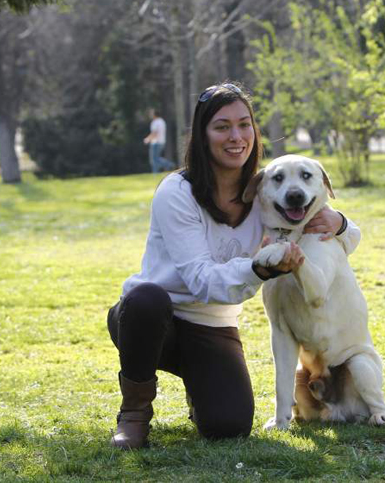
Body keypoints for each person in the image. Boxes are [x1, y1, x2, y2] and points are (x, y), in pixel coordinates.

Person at [106, 82, 362, 449]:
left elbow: (341, 240)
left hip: (212, 326)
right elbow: (200, 280)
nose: (236, 136)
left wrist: (339, 224)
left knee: (228, 426)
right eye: (222, 126)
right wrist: (259, 269)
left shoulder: (265, 193)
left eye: (244, 125)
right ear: (202, 135)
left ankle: (201, 387)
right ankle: (134, 415)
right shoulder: (176, 192)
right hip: (151, 321)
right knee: (146, 299)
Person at [143, 108, 176, 173]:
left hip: (156, 142)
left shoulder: (155, 122)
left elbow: (154, 133)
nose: (150, 115)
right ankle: (157, 172)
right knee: (156, 159)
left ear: (155, 115)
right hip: (162, 142)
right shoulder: (162, 121)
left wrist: (147, 139)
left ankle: (169, 165)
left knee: (154, 159)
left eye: (151, 114)